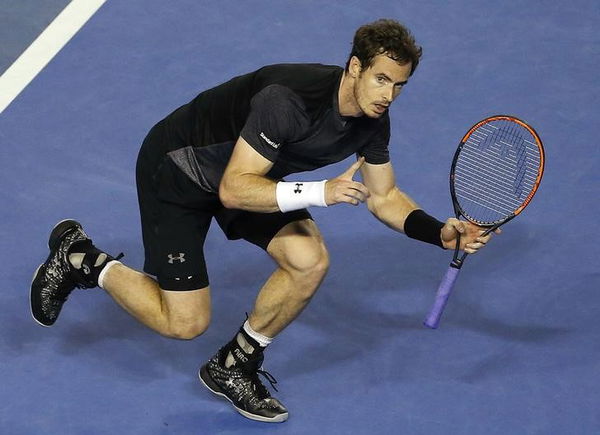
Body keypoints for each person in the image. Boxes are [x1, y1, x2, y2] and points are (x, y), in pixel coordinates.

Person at [30, 19, 497, 423]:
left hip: (251, 175)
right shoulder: (287, 99)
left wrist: (438, 232)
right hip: (179, 169)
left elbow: (385, 194)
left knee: (308, 260)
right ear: (354, 67)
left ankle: (233, 364)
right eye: (381, 79)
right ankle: (80, 259)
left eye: (399, 85)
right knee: (184, 324)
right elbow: (234, 190)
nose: (388, 95)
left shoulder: (376, 120)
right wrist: (321, 192)